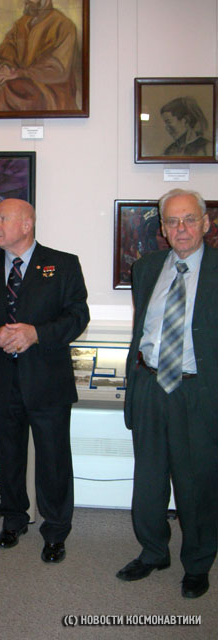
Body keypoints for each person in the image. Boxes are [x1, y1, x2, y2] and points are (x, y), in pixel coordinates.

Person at [0, 198, 89, 563]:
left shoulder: (63, 264)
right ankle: (14, 519)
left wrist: (37, 334)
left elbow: (77, 316)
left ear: (27, 224)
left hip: (48, 380)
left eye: (3, 219)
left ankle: (56, 530)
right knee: (9, 456)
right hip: (3, 378)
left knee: (53, 459)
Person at [117, 188, 218, 598]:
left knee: (198, 484)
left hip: (198, 391)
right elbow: (142, 328)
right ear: (162, 227)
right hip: (150, 385)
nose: (182, 228)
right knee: (149, 479)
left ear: (206, 223)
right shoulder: (146, 268)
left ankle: (197, 563)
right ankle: (154, 551)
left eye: (190, 219)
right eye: (172, 221)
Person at [0, 0, 82, 112]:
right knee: (0, 88)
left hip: (51, 93)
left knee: (6, 91)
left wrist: (20, 73)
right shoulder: (20, 24)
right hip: (22, 84)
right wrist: (4, 67)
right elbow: (6, 50)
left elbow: (58, 70)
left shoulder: (63, 25)